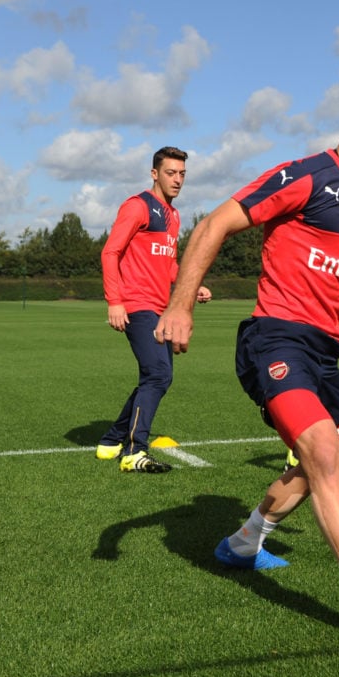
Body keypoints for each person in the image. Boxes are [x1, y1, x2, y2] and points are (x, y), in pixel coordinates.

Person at [155, 74, 339, 650]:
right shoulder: (305, 174)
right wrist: (180, 305)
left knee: (314, 471)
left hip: (326, 355)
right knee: (325, 455)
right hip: (274, 339)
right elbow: (215, 224)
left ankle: (244, 543)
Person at [96, 146, 212, 473]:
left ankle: (111, 439)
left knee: (159, 375)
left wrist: (191, 286)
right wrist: (115, 301)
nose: (177, 180)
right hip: (137, 304)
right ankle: (134, 451)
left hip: (162, 309)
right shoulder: (138, 207)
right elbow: (110, 253)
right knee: (158, 374)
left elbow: (168, 264)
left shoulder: (173, 216)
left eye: (182, 174)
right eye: (171, 173)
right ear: (154, 174)